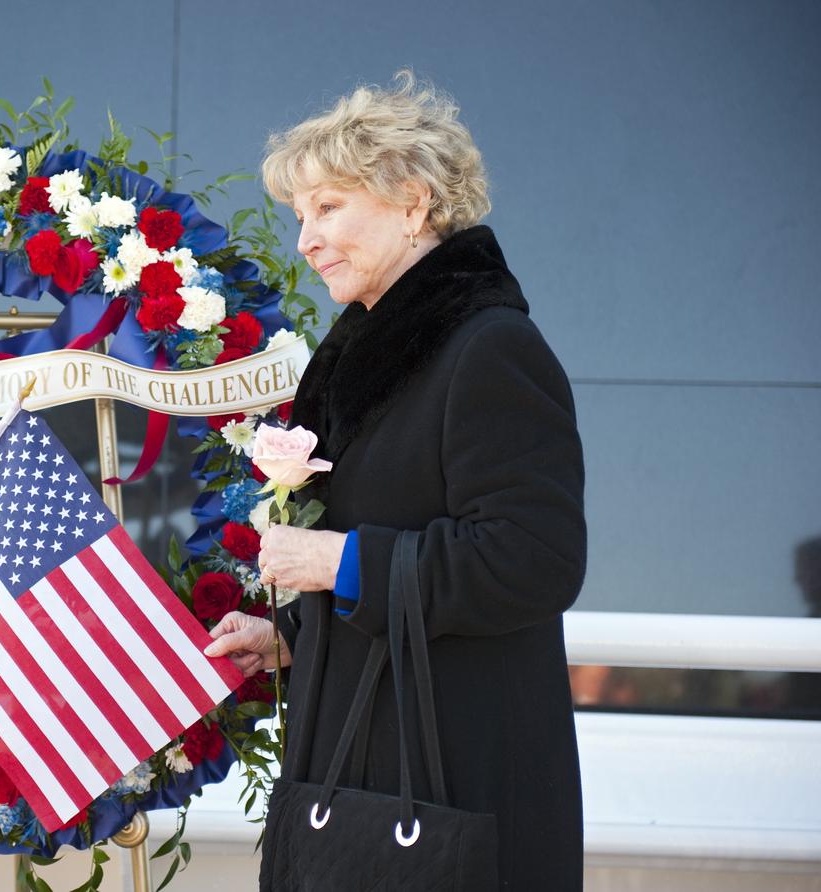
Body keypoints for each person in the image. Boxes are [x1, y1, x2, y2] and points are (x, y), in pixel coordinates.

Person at [206, 70, 586, 890]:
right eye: (300, 217)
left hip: (458, 788)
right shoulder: (377, 358)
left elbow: (535, 558)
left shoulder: (490, 350)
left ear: (414, 203)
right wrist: (293, 637)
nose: (305, 240)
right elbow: (405, 546)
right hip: (363, 785)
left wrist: (336, 563)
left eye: (328, 208)